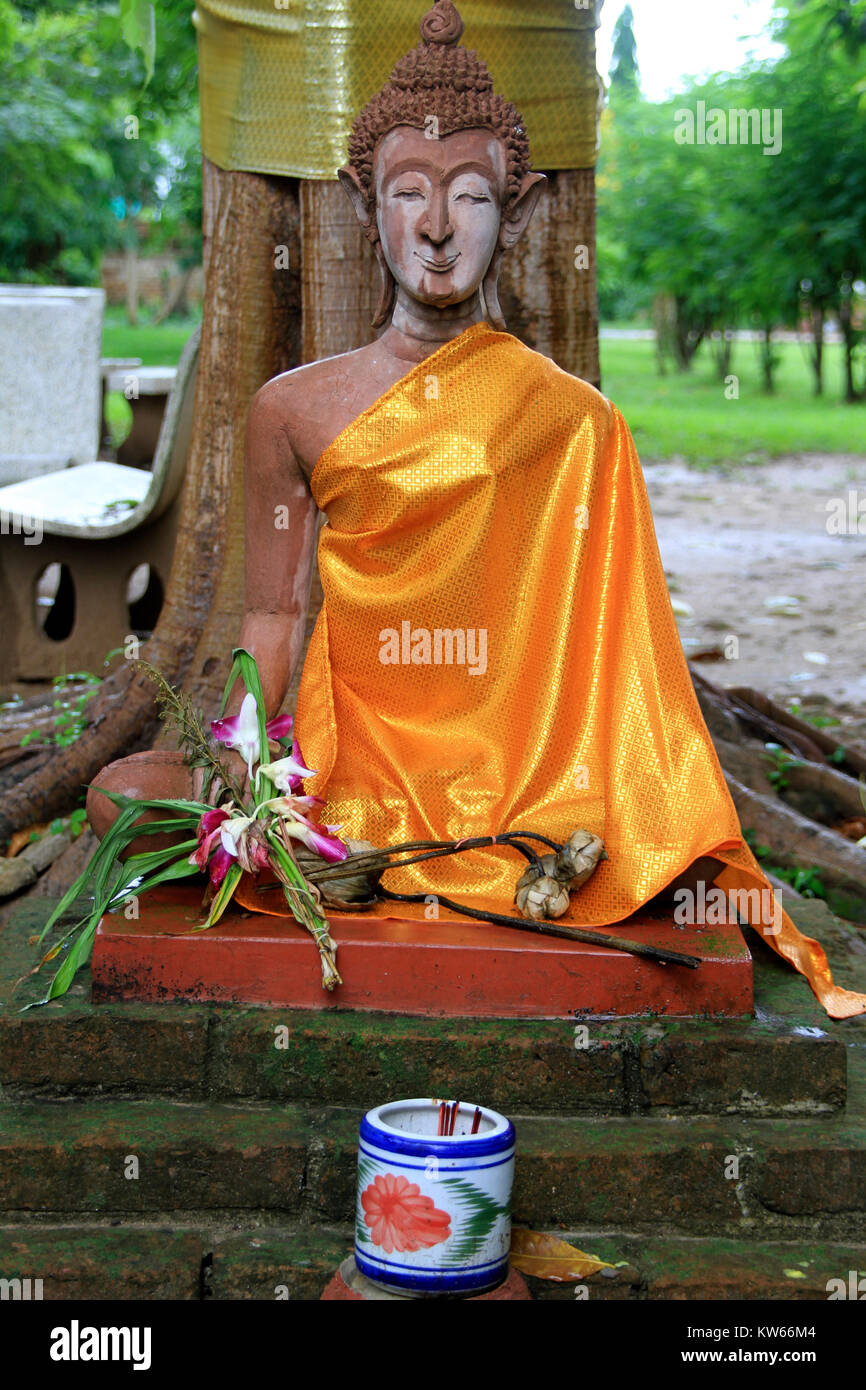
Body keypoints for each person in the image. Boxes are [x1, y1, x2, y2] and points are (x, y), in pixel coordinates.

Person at [88, 0, 864, 1019]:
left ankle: (507, 851)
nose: (438, 227)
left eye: (469, 196)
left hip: (520, 771)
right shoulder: (293, 408)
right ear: (366, 204)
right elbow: (273, 616)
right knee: (120, 798)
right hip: (350, 757)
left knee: (638, 842)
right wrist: (242, 746)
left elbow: (610, 660)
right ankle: (382, 849)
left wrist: (612, 784)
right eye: (409, 192)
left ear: (518, 203)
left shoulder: (573, 424)